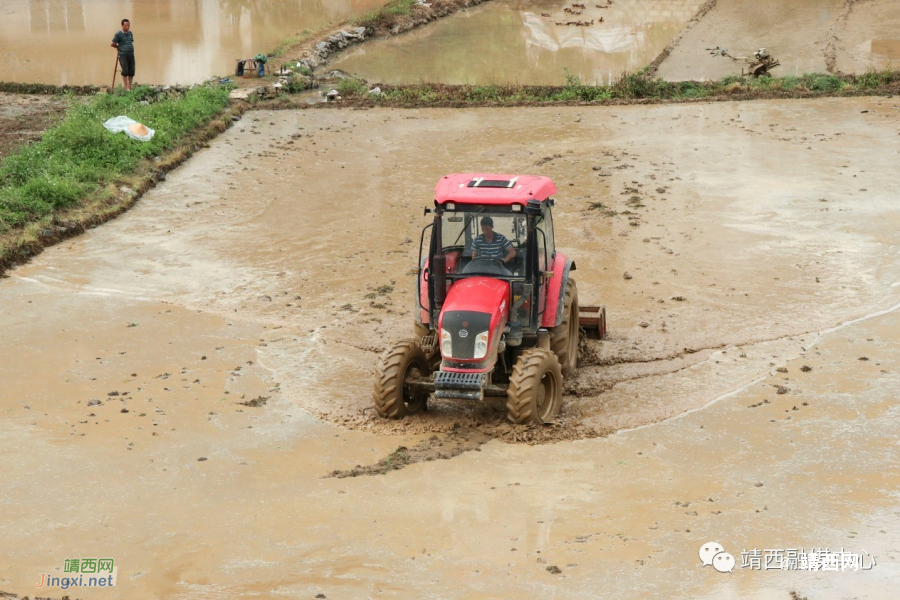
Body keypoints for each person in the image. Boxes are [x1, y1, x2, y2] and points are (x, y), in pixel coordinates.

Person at [111, 19, 135, 91]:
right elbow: (112, 44)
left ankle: (130, 86)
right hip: (123, 55)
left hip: (131, 55)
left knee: (132, 71)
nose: (128, 27)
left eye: (128, 25)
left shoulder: (130, 33)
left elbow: (131, 42)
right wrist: (118, 47)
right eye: (126, 25)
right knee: (125, 71)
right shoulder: (118, 34)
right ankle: (126, 86)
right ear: (122, 25)